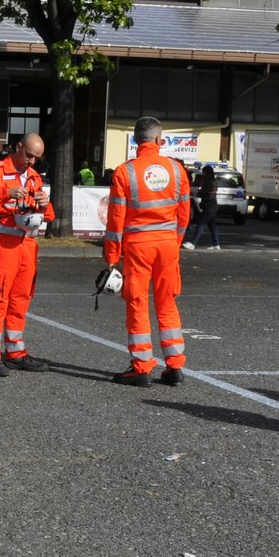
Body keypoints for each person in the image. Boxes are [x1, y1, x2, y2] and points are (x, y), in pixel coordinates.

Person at [104, 116, 190, 387]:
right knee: (167, 303)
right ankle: (174, 367)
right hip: (167, 245)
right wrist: (173, 243)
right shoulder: (176, 170)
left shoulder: (124, 171)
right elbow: (184, 216)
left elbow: (115, 220)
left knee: (137, 303)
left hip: (138, 246)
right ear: (159, 140)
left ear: (134, 141)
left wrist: (111, 257)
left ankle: (141, 368)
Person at [0, 132, 54, 376]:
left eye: (36, 158)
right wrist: (5, 193)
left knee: (21, 300)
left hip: (28, 245)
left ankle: (16, 352)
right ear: (18, 147)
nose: (31, 161)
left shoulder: (35, 177)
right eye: (29, 155)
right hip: (4, 246)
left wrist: (45, 204)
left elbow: (48, 215)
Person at [182, 164, 221, 250]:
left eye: (204, 172)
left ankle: (193, 243)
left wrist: (196, 193)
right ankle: (216, 243)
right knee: (212, 225)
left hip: (209, 206)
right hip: (212, 206)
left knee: (200, 224)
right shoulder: (213, 181)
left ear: (207, 173)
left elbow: (203, 193)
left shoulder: (208, 182)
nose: (203, 174)